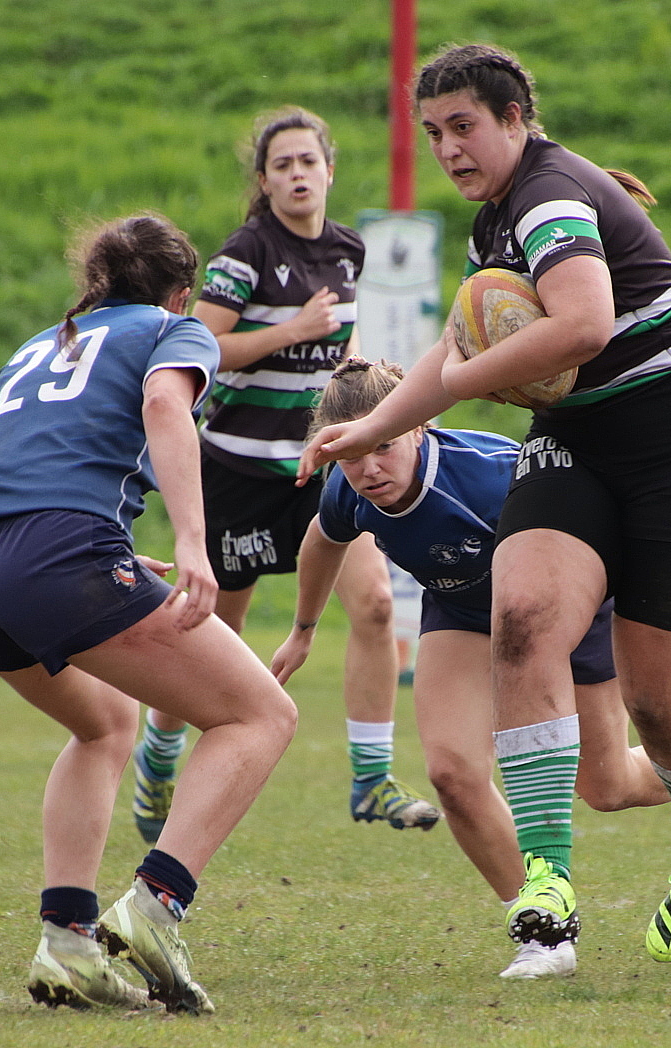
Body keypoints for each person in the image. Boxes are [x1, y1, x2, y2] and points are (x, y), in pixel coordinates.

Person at [298, 45, 671, 978]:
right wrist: (374, 430)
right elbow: (450, 347)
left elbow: (585, 325)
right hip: (580, 441)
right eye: (433, 133)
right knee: (520, 619)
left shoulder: (552, 196)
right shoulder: (494, 222)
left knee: (661, 708)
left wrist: (468, 385)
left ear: (517, 117)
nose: (448, 149)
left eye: (464, 126)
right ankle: (547, 897)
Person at [277, 357, 671, 978]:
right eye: (351, 454)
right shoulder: (349, 487)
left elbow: (618, 522)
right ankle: (545, 933)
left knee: (605, 787)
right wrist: (303, 630)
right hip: (462, 608)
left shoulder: (491, 473)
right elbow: (323, 538)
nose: (368, 468)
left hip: (571, 611)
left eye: (384, 446)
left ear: (419, 425)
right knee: (451, 774)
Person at [0, 213, 297, 1012]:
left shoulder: (42, 342)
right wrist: (194, 545)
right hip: (57, 556)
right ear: (180, 293)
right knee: (260, 715)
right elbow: (168, 408)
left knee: (104, 725)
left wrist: (103, 547)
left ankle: (67, 942)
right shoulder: (175, 329)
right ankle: (158, 907)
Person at [131, 106, 438, 844]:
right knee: (209, 637)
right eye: (283, 165)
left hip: (316, 471)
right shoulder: (247, 252)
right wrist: (293, 331)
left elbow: (344, 338)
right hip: (237, 474)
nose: (298, 174)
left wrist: (355, 383)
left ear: (330, 169)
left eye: (309, 161)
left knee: (371, 608)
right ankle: (158, 753)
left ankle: (371, 779)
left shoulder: (348, 250)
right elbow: (197, 344)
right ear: (264, 181)